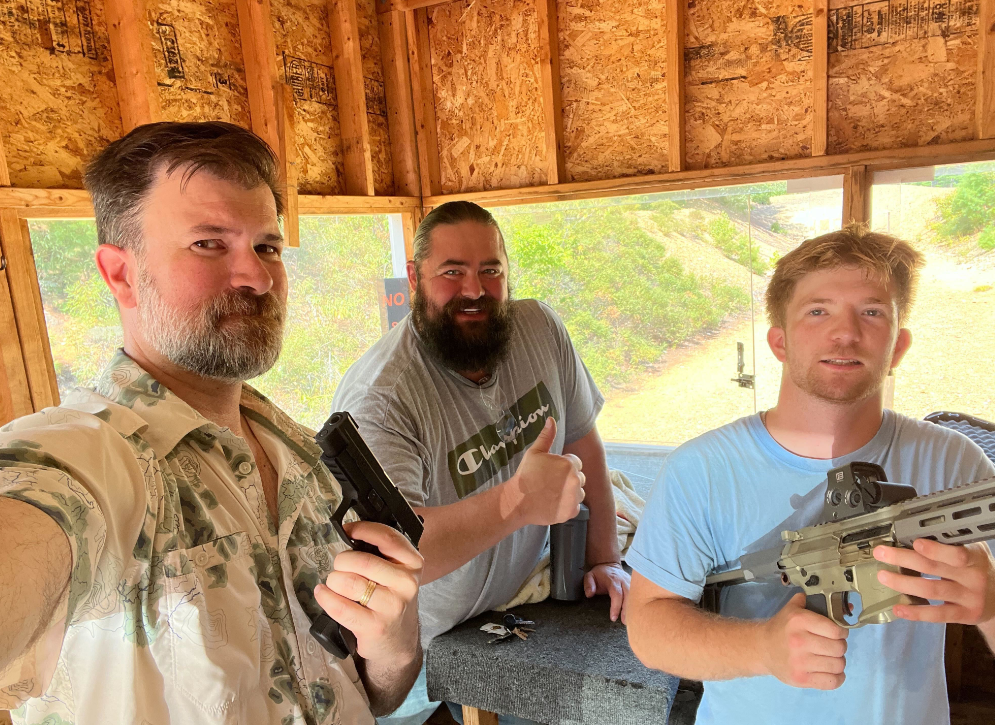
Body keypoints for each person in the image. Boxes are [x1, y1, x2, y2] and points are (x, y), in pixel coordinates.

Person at [0, 122, 423, 725]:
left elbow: (375, 694)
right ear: (120, 274)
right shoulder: (94, 459)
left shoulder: (304, 455)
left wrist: (396, 645)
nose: (256, 277)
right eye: (208, 244)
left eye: (268, 247)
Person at [625, 228, 995, 725]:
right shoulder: (699, 470)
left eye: (872, 311)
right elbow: (647, 625)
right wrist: (764, 647)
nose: (845, 333)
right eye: (818, 310)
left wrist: (991, 605)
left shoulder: (955, 465)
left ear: (899, 345)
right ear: (779, 341)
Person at [331, 201, 629, 723]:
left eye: (490, 271)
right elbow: (397, 552)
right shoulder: (381, 397)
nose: (474, 290)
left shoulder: (540, 328)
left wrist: (603, 559)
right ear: (415, 277)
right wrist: (517, 502)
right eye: (453, 272)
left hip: (534, 592)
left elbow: (584, 443)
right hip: (446, 639)